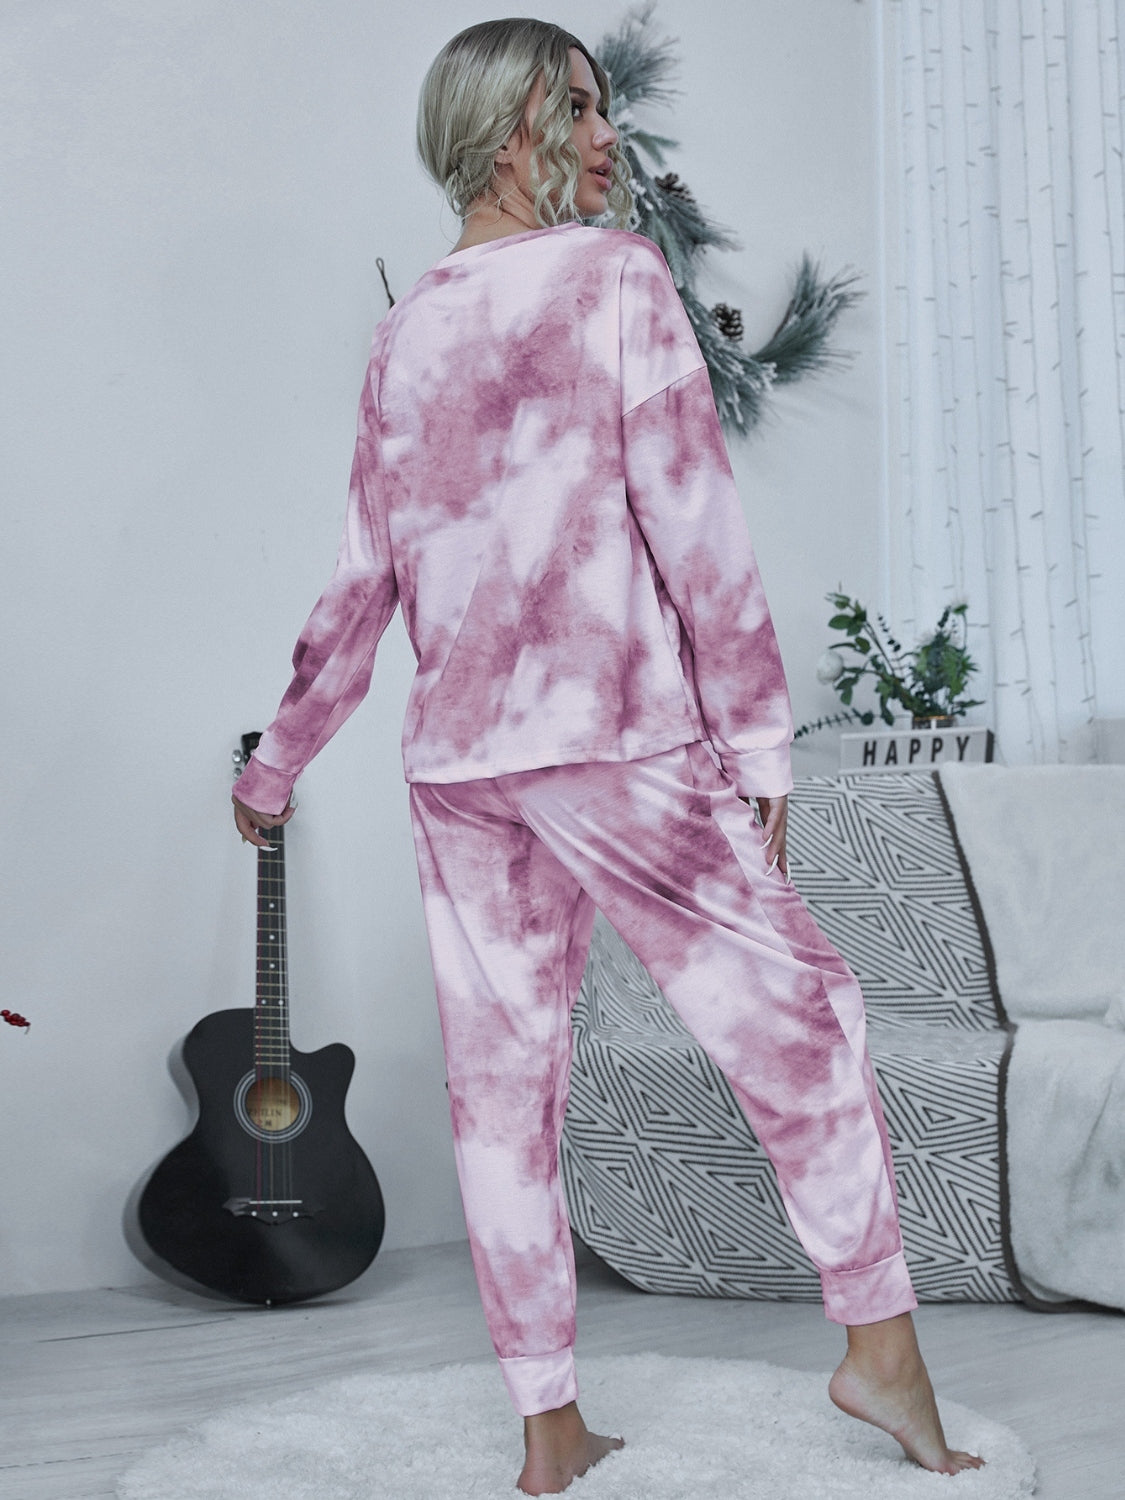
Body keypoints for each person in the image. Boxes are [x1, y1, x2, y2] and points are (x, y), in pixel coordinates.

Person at [231, 18, 985, 1496]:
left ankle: (548, 1430)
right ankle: (880, 1352)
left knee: (501, 1090)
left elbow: (360, 584)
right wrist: (758, 747)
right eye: (574, 110)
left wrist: (276, 767)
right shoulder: (616, 280)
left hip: (460, 763)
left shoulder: (406, 332)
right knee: (803, 1018)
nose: (602, 138)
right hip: (613, 738)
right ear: (505, 129)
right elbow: (695, 529)